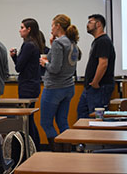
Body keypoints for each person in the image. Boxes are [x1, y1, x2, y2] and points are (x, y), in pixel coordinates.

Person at [39, 14, 80, 151]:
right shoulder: (72, 42)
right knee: (62, 121)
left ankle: (57, 154)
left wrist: (45, 63)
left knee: (46, 123)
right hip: (68, 87)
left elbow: (55, 69)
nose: (51, 29)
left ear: (57, 26)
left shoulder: (58, 43)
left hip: (54, 88)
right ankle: (66, 154)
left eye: (52, 25)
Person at [9, 18, 44, 150]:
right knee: (29, 119)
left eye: (22, 27)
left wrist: (14, 57)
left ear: (29, 29)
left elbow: (19, 67)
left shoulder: (28, 45)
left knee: (27, 120)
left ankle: (33, 147)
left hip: (27, 86)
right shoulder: (35, 43)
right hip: (33, 85)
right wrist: (16, 57)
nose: (20, 29)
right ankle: (34, 147)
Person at [77, 14, 115, 118]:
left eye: (90, 22)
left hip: (99, 87)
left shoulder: (103, 41)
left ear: (98, 24)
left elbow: (103, 63)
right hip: (91, 87)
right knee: (82, 115)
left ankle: (99, 135)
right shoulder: (98, 41)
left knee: (97, 118)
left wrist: (95, 82)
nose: (87, 25)